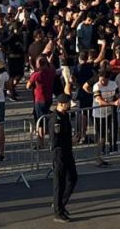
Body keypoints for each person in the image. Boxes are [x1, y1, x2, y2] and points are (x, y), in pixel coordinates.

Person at [51, 94, 77, 223]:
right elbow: (56, 139)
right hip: (60, 152)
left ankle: (61, 203)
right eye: (68, 103)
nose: (69, 105)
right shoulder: (56, 119)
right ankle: (58, 211)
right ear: (62, 104)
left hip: (68, 150)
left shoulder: (65, 115)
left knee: (72, 178)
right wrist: (69, 140)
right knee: (59, 182)